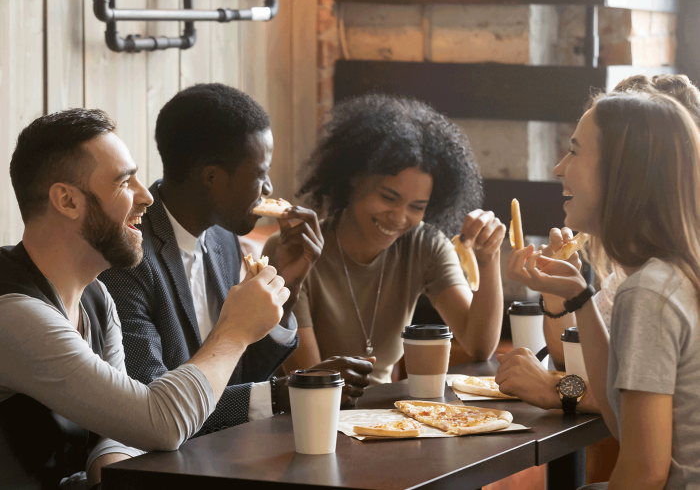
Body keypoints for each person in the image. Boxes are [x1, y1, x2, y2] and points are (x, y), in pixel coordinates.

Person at [0, 108, 289, 490]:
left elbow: (118, 426)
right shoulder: (13, 312)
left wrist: (114, 471)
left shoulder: (97, 296)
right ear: (67, 201)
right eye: (124, 182)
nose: (146, 197)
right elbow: (161, 422)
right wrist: (234, 331)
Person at [99, 84, 374, 433]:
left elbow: (239, 376)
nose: (269, 188)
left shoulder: (222, 238)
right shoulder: (128, 257)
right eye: (261, 173)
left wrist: (288, 284)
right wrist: (281, 395)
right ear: (212, 177)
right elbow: (154, 405)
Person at [507, 91, 700, 489]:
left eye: (575, 153)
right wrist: (579, 297)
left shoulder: (649, 293)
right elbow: (620, 424)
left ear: (621, 174)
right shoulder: (671, 275)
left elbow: (644, 474)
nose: (559, 167)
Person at [264, 95, 506, 384]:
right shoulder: (294, 251)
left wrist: (489, 259)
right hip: (306, 416)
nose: (399, 218)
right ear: (353, 178)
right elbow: (313, 383)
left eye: (417, 207)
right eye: (388, 197)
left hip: (383, 417)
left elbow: (478, 346)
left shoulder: (424, 246)